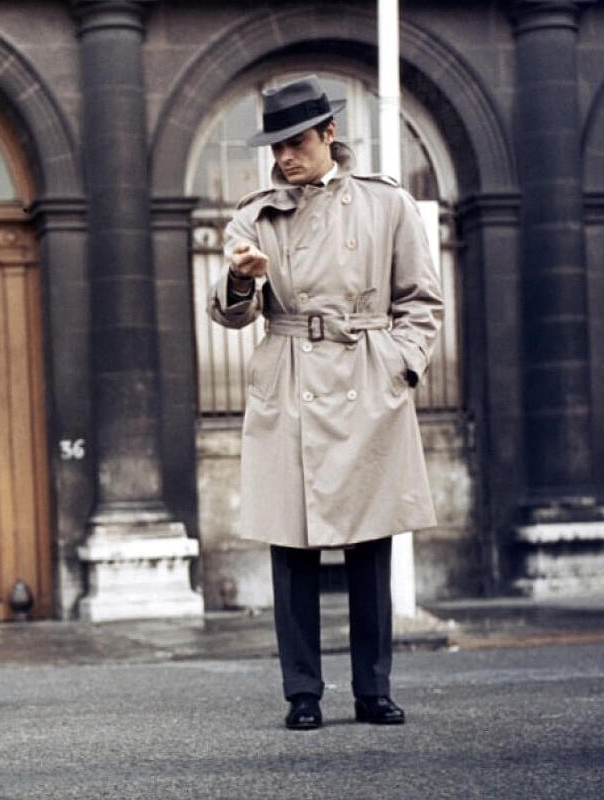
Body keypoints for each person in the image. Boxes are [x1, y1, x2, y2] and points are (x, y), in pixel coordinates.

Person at [208, 75, 443, 729]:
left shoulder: (384, 205)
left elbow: (421, 302)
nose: (286, 157)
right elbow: (230, 315)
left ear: (330, 135)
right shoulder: (255, 215)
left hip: (367, 376)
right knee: (292, 544)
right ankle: (302, 692)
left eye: (297, 142)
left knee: (370, 545)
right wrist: (238, 278)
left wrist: (399, 369)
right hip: (290, 378)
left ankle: (373, 689)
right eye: (277, 146)